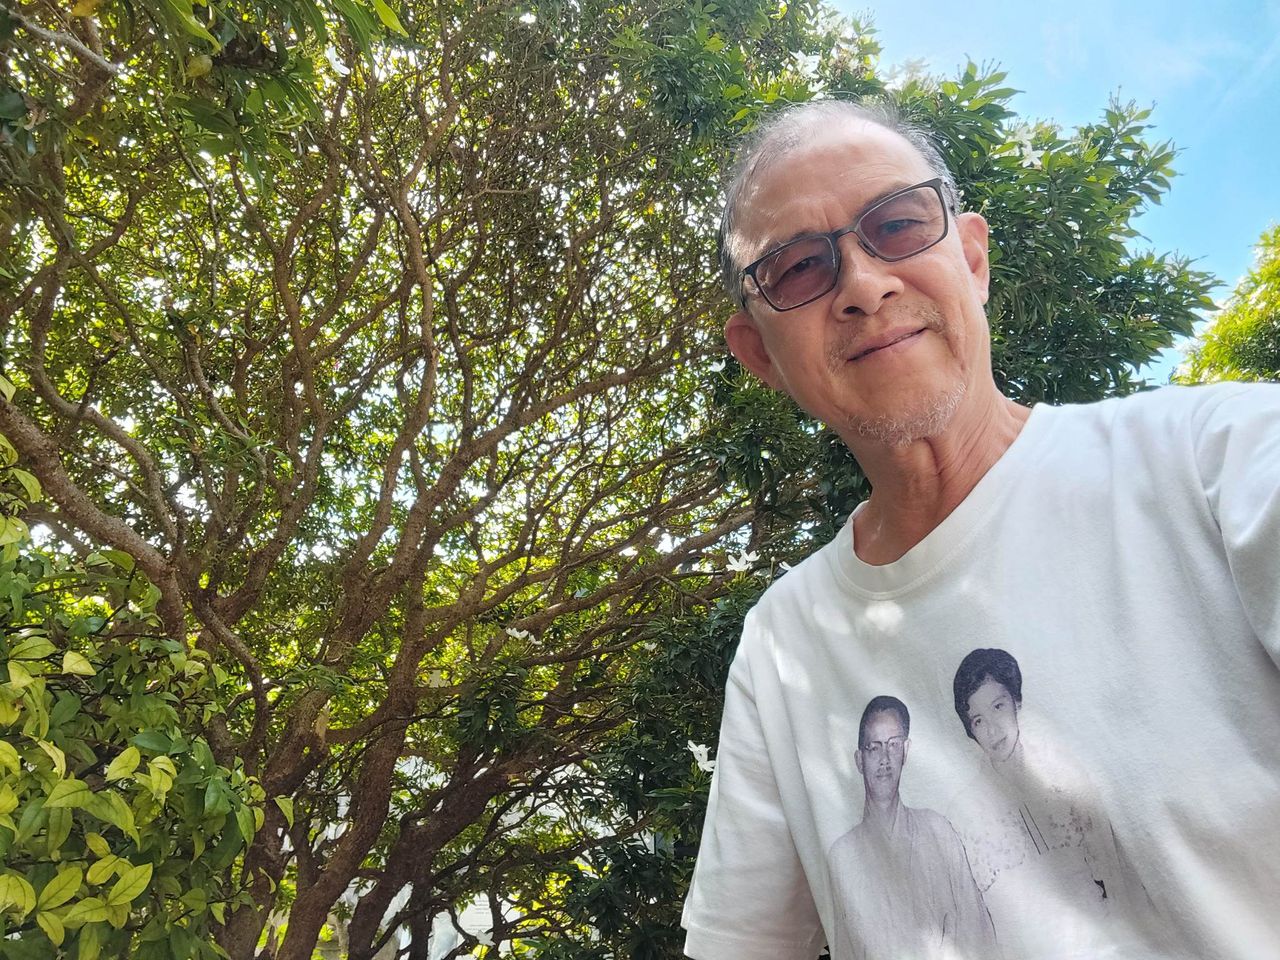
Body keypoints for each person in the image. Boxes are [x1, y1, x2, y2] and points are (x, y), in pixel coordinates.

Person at [679, 98, 1280, 960]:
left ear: (971, 257)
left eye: (897, 225)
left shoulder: (1222, 462)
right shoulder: (782, 646)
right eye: (800, 268)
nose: (864, 286)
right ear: (760, 353)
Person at [945, 648, 1131, 957]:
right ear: (970, 730)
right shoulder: (963, 814)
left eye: (998, 706)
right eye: (978, 720)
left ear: (1016, 702)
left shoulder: (1063, 772)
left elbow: (1113, 868)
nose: (992, 729)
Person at [826, 696, 996, 960]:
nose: (884, 759)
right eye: (874, 747)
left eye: (893, 745)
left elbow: (980, 933)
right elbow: (845, 950)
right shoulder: (843, 855)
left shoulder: (938, 831)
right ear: (859, 759)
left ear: (905, 751)